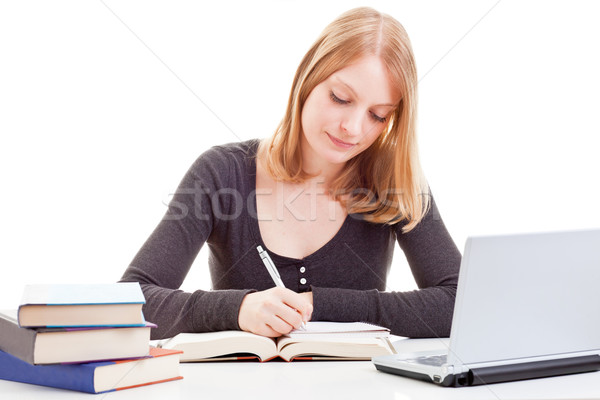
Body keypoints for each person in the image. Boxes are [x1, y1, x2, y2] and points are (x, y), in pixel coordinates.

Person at [120, 7, 461, 340]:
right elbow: (128, 305)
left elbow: (461, 303)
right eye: (340, 98)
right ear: (307, 79)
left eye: (378, 115)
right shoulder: (221, 173)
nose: (353, 129)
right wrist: (237, 309)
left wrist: (322, 305)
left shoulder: (394, 180)